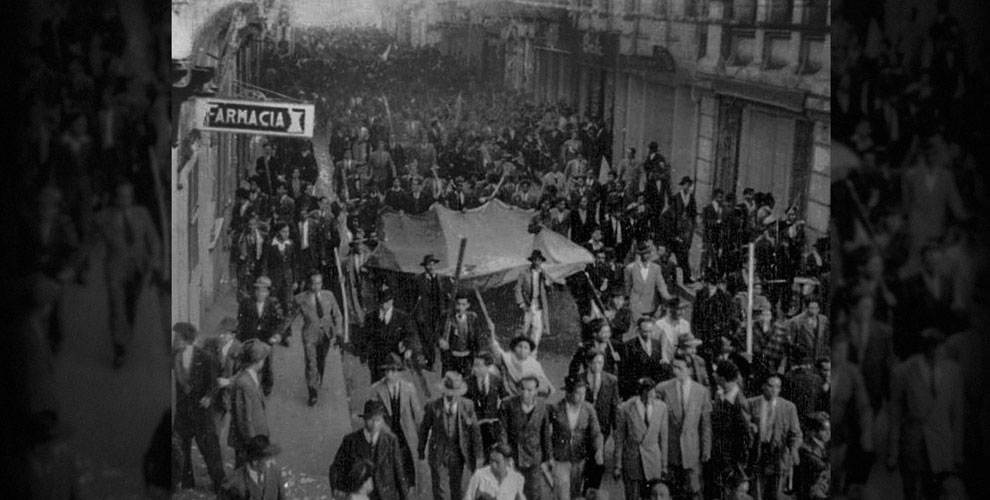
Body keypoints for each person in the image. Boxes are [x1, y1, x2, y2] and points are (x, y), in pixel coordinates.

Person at [887, 327, 964, 500]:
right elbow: (895, 413)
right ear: (926, 350)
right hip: (913, 444)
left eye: (941, 349)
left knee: (936, 491)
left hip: (942, 444)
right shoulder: (904, 372)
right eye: (934, 349)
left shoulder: (953, 372)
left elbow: (957, 415)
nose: (939, 353)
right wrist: (892, 452)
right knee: (912, 491)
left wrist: (957, 453)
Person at [95, 179, 161, 369]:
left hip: (138, 270)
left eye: (128, 196)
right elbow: (89, 243)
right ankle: (119, 349)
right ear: (115, 198)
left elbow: (154, 239)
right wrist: (73, 267)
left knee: (130, 306)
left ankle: (126, 333)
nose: (125, 200)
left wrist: (155, 263)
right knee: (117, 307)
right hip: (115, 269)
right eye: (121, 196)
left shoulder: (142, 214)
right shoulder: (104, 217)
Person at [172, 322, 225, 493]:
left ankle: (219, 484)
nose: (174, 340)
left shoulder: (205, 357)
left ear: (186, 340)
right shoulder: (175, 356)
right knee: (181, 449)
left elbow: (214, 383)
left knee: (210, 450)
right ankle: (187, 483)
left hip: (202, 413)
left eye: (177, 337)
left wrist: (209, 397)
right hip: (183, 413)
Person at [419, 371, 484, 500]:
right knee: (440, 490)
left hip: (457, 453)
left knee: (457, 489)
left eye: (455, 393)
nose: (452, 396)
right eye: (449, 393)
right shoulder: (433, 406)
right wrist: (421, 450)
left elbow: (475, 432)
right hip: (438, 453)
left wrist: (479, 455)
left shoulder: (467, 406)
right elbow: (424, 428)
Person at [657, 355, 712, 500]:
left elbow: (705, 424)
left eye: (679, 368)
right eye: (673, 367)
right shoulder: (663, 389)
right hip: (671, 451)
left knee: (694, 491)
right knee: (672, 492)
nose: (675, 371)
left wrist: (706, 449)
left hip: (691, 451)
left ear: (689, 370)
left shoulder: (701, 392)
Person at [329, 400, 409, 500]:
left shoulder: (391, 441)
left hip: (386, 495)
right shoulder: (351, 441)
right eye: (371, 419)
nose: (375, 424)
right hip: (359, 495)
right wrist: (337, 491)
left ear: (382, 420)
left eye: (378, 420)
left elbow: (399, 473)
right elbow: (336, 467)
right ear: (365, 419)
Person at [289, 270, 344, 406]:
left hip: (325, 334)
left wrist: (339, 332)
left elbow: (337, 314)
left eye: (319, 283)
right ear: (309, 284)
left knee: (321, 361)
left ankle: (319, 375)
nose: (316, 286)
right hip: (309, 335)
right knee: (310, 363)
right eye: (313, 283)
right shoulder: (301, 299)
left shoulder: (329, 296)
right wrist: (280, 331)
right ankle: (312, 392)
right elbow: (290, 317)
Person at [371, 353, 424, 492]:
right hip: (388, 432)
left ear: (399, 372)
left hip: (406, 432)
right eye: (387, 371)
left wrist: (422, 437)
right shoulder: (377, 389)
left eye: (394, 371)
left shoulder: (409, 388)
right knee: (389, 462)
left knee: (407, 460)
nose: (390, 375)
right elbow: (374, 416)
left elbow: (417, 413)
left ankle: (409, 488)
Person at [746, 374, 802, 500]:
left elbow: (796, 434)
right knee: (756, 491)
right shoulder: (751, 403)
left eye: (777, 387)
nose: (774, 390)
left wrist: (794, 449)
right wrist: (750, 427)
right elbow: (743, 425)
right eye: (771, 386)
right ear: (763, 386)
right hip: (758, 451)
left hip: (778, 453)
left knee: (775, 492)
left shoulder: (788, 407)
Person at [499, 374, 553, 500]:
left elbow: (545, 433)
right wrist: (506, 454)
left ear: (536, 390)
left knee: (534, 494)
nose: (525, 393)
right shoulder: (508, 404)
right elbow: (502, 432)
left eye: (529, 390)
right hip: (514, 457)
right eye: (522, 389)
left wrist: (549, 457)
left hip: (534, 457)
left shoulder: (542, 406)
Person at [550, 375, 604, 500]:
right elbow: (546, 433)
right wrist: (549, 456)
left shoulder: (588, 409)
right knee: (562, 492)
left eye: (583, 393)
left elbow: (596, 433)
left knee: (575, 492)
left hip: (578, 458)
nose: (581, 397)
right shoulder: (556, 408)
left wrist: (599, 450)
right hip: (560, 458)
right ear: (568, 393)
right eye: (578, 393)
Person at [614, 378, 669, 500]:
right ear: (641, 393)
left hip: (653, 461)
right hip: (633, 459)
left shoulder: (662, 407)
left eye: (653, 393)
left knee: (653, 495)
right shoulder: (625, 408)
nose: (652, 396)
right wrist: (617, 465)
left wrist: (664, 465)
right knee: (632, 495)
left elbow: (663, 438)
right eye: (648, 393)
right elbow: (619, 439)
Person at [707, 360, 751, 500]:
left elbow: (746, 436)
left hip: (731, 463)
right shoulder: (722, 396)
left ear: (723, 378)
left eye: (717, 374)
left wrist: (737, 466)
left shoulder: (739, 402)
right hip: (721, 459)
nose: (714, 376)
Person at [236, 276, 283, 396]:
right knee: (247, 361)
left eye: (263, 291)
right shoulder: (246, 302)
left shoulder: (273, 304)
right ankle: (248, 386)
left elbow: (280, 321)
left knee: (267, 363)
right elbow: (241, 320)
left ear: (268, 293)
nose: (259, 293)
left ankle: (267, 386)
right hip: (249, 336)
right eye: (257, 290)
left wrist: (277, 334)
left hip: (266, 338)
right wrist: (239, 337)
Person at [229, 340, 272, 468]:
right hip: (249, 441)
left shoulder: (251, 376)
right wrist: (252, 442)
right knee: (246, 474)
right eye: (263, 359)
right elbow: (244, 418)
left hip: (256, 437)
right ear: (257, 361)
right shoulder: (244, 383)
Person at [582, 348, 620, 490]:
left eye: (601, 362)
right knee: (586, 455)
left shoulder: (611, 380)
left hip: (602, 426)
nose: (598, 366)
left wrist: (616, 426)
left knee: (597, 454)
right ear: (588, 363)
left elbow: (614, 404)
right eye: (595, 362)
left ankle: (592, 489)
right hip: (583, 425)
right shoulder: (580, 379)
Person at [361, 288, 416, 384]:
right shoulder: (370, 317)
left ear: (392, 300)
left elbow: (410, 334)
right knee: (378, 387)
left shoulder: (402, 317)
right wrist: (365, 355)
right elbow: (365, 338)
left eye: (386, 301)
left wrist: (407, 348)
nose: (384, 305)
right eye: (381, 302)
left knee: (395, 386)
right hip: (376, 361)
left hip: (395, 360)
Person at [440, 292, 491, 378]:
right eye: (458, 304)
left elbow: (477, 338)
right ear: (455, 305)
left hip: (467, 358)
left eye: (463, 305)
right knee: (450, 383)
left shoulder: (472, 318)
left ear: (468, 305)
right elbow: (438, 333)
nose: (460, 307)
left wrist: (477, 355)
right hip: (451, 358)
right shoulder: (447, 317)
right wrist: (441, 340)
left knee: (467, 382)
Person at [219, 435, 286, 500]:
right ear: (255, 461)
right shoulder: (233, 482)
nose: (272, 463)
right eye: (267, 459)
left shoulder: (275, 475)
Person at [466, 351, 508, 452]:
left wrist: (500, 415)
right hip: (475, 425)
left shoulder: (497, 380)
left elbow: (506, 399)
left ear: (488, 367)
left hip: (492, 425)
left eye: (479, 366)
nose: (475, 369)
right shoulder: (467, 383)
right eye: (474, 365)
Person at [264, 222, 297, 346]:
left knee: (287, 307)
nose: (286, 234)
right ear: (277, 232)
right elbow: (265, 263)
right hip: (274, 280)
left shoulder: (291, 244)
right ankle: (272, 333)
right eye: (284, 231)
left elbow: (294, 263)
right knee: (274, 307)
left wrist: (295, 280)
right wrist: (266, 280)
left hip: (287, 280)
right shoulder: (270, 244)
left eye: (287, 231)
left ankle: (286, 335)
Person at [620, 316, 669, 399]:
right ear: (638, 330)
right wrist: (638, 381)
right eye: (645, 332)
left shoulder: (657, 344)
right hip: (636, 391)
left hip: (654, 391)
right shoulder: (628, 346)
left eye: (650, 331)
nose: (648, 335)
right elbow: (625, 372)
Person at [209, 317, 242, 436]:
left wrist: (228, 381)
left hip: (233, 393)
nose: (221, 336)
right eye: (221, 332)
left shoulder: (239, 349)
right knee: (215, 424)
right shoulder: (214, 346)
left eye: (225, 333)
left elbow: (244, 374)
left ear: (233, 335)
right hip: (217, 393)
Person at [515, 249, 553, 348]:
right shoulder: (524, 273)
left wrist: (548, 283)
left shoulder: (543, 273)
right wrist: (521, 303)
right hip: (527, 304)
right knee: (524, 328)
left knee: (537, 329)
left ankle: (533, 353)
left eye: (539, 260)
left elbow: (549, 289)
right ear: (532, 261)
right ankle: (520, 350)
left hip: (538, 305)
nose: (537, 262)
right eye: (535, 260)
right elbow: (517, 288)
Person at [463, 443, 527, 500]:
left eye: (497, 462)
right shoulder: (479, 475)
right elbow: (468, 497)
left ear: (507, 462)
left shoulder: (517, 478)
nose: (493, 465)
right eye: (491, 460)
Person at [625, 243, 673, 320]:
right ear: (640, 255)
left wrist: (668, 297)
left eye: (648, 253)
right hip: (635, 304)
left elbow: (661, 285)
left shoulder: (656, 268)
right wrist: (628, 299)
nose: (647, 255)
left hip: (649, 304)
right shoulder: (630, 268)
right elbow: (628, 285)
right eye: (645, 253)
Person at [795, 413, 829, 500]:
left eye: (829, 430)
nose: (828, 433)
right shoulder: (806, 453)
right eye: (824, 430)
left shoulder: (823, 449)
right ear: (813, 432)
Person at [787, 298, 829, 367]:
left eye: (816, 308)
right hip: (803, 361)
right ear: (806, 308)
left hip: (820, 359)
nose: (813, 311)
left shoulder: (823, 320)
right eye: (811, 308)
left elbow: (825, 339)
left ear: (819, 309)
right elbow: (790, 343)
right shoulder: (796, 321)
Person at [656, 297, 691, 363]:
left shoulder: (685, 324)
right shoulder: (659, 325)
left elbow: (686, 345)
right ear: (670, 309)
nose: (682, 312)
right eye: (679, 309)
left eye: (684, 309)